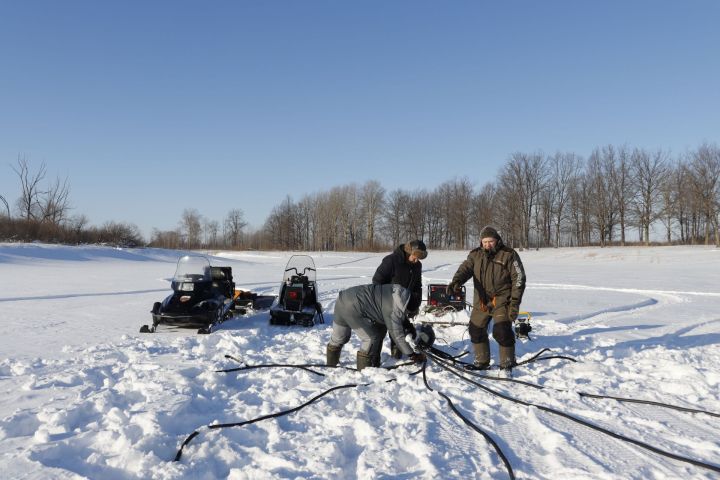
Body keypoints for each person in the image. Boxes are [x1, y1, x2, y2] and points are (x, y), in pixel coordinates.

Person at [447, 226, 526, 375]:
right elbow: (465, 269)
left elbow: (519, 279)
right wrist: (456, 282)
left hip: (502, 298)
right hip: (481, 299)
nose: (487, 245)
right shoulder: (475, 255)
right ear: (481, 242)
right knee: (475, 330)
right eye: (484, 242)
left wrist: (514, 303)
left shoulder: (509, 254)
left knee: (502, 331)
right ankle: (482, 362)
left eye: (490, 241)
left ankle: (507, 364)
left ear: (497, 240)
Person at [326, 283, 426, 370]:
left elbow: (400, 312)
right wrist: (412, 355)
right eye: (409, 313)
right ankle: (364, 373)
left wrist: (408, 325)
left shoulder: (398, 291)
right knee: (371, 338)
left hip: (342, 298)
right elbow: (397, 336)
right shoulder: (392, 310)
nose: (408, 315)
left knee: (339, 337)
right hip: (353, 308)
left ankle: (330, 367)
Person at [372, 239, 427, 358]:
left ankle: (396, 358)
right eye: (414, 257)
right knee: (378, 334)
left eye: (419, 258)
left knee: (398, 332)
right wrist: (384, 301)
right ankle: (373, 361)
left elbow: (417, 286)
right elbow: (377, 281)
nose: (416, 260)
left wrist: (415, 304)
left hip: (402, 306)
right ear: (408, 251)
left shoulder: (417, 265)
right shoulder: (391, 261)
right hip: (384, 304)